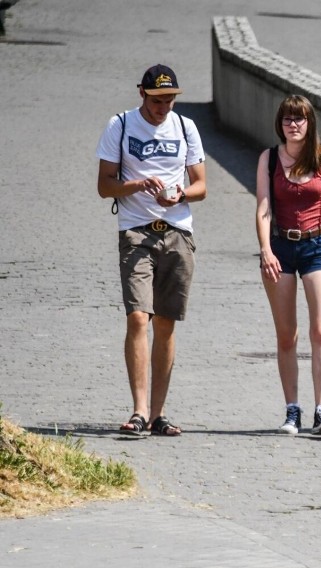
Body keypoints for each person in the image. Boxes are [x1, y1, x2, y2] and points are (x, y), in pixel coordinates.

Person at [96, 64, 207, 437]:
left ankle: (158, 414)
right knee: (138, 318)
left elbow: (201, 186)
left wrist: (178, 194)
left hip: (178, 233)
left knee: (165, 323)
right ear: (141, 93)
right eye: (158, 99)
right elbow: (105, 186)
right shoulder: (121, 125)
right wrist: (138, 184)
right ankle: (139, 410)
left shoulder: (186, 127)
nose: (165, 106)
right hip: (136, 233)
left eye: (171, 99)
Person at [256, 94, 321, 435]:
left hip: (319, 246)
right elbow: (264, 207)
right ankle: (292, 410)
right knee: (286, 336)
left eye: (299, 119)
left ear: (310, 123)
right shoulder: (268, 159)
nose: (292, 125)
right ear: (279, 124)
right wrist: (265, 249)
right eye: (287, 119)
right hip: (281, 246)